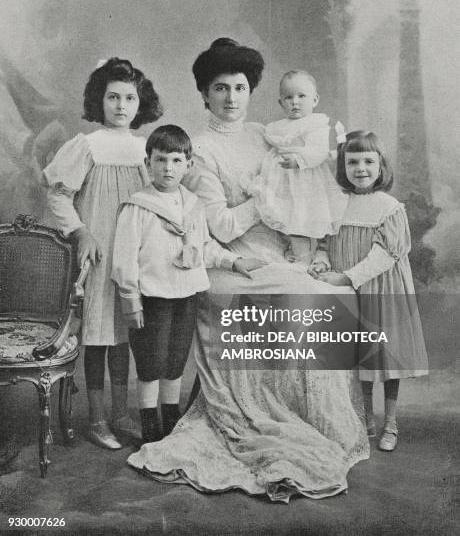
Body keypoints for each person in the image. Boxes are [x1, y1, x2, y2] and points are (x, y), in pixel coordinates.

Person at [127, 39, 369, 502]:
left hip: (279, 251)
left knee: (323, 294)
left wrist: (310, 245)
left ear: (251, 90)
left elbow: (307, 189)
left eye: (240, 87)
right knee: (291, 294)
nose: (232, 97)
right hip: (226, 260)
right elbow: (219, 224)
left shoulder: (268, 133)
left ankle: (310, 418)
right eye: (221, 88)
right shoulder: (196, 149)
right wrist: (266, 198)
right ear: (204, 94)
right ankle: (252, 415)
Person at [111, 125, 264, 444]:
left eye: (177, 160)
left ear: (188, 165)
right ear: (148, 162)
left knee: (176, 358)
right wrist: (131, 301)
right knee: (151, 361)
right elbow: (124, 259)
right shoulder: (137, 206)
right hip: (151, 297)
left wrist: (233, 261)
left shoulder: (193, 204)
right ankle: (150, 423)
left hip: (187, 293)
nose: (168, 168)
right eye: (161, 160)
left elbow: (204, 246)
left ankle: (171, 418)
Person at [43, 58, 163, 449]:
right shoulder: (87, 145)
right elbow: (59, 194)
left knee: (125, 336)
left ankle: (121, 413)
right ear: (100, 100)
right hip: (97, 255)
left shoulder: (146, 150)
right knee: (97, 336)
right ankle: (96, 418)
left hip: (133, 257)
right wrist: (80, 231)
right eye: (113, 97)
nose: (121, 106)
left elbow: (157, 201)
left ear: (140, 103)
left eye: (130, 97)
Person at [314, 130, 428, 452]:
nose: (360, 168)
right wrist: (322, 263)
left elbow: (385, 254)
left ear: (381, 165)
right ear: (343, 166)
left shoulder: (389, 207)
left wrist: (348, 277)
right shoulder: (337, 204)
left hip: (380, 287)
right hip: (348, 291)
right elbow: (324, 242)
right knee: (357, 358)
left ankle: (390, 422)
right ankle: (364, 420)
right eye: (352, 162)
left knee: (386, 357)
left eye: (368, 161)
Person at [245, 70, 346, 265]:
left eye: (301, 96)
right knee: (285, 215)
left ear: (315, 100)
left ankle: (307, 256)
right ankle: (294, 248)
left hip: (306, 180)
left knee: (304, 215)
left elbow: (318, 150)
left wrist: (299, 161)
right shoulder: (277, 126)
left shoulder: (315, 123)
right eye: (288, 97)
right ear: (281, 102)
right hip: (282, 179)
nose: (295, 102)